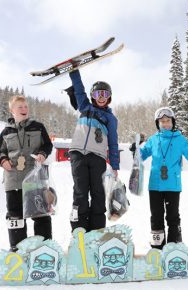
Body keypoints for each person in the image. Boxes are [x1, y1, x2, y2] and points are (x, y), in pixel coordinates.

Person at [132, 107, 188, 249]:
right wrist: (135, 150)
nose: (165, 124)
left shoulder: (180, 140)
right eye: (162, 121)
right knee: (156, 218)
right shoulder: (153, 140)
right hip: (155, 186)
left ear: (173, 122)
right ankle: (157, 248)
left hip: (172, 185)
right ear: (157, 124)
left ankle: (174, 248)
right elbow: (141, 156)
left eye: (168, 121)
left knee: (173, 218)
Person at [0, 95, 53, 252]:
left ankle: (45, 248)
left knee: (40, 214)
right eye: (20, 107)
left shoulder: (38, 127)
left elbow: (48, 145)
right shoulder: (5, 132)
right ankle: (18, 250)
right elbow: (0, 152)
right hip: (13, 180)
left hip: (34, 178)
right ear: (11, 110)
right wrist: (3, 160)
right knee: (15, 216)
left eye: (26, 107)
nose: (24, 109)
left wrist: (42, 153)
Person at [67, 69, 119, 232]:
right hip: (78, 155)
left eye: (104, 94)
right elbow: (79, 89)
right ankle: (79, 231)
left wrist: (115, 166)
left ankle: (96, 232)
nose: (101, 97)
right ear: (92, 96)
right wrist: (74, 72)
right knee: (80, 193)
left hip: (97, 157)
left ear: (109, 97)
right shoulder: (84, 106)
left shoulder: (110, 119)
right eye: (98, 94)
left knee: (98, 194)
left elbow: (113, 142)